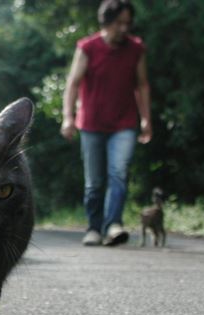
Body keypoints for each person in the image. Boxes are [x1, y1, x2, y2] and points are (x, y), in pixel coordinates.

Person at [61, 0, 152, 246]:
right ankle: (93, 228)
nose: (123, 28)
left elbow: (142, 85)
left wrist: (146, 120)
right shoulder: (88, 48)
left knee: (119, 173)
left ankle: (113, 224)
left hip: (125, 123)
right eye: (118, 23)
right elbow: (73, 83)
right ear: (106, 22)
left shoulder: (136, 48)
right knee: (94, 181)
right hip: (91, 124)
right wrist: (68, 117)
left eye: (127, 23)